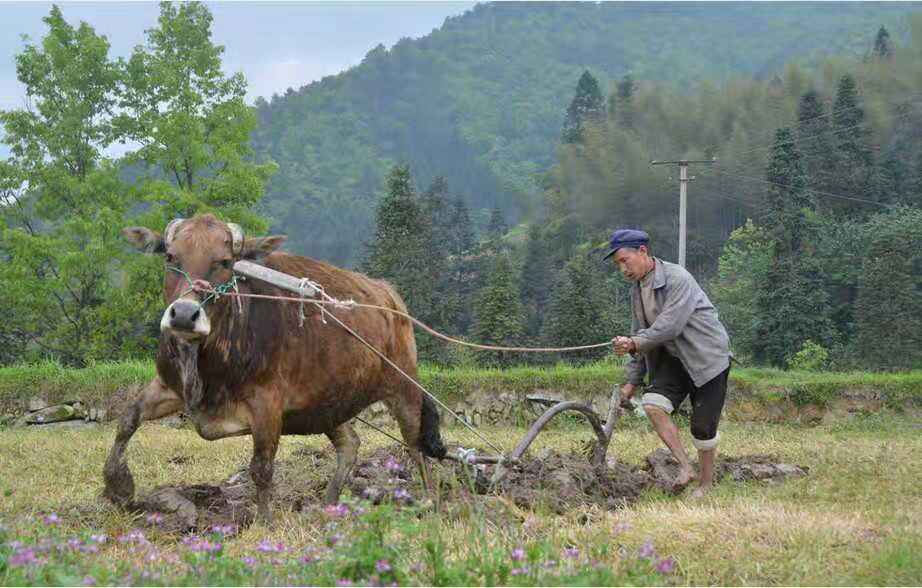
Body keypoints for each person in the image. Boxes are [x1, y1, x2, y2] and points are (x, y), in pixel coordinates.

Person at [603, 228, 731, 498]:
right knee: (653, 405)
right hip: (673, 359)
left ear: (642, 251)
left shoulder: (678, 278)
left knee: (702, 427)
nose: (622, 269)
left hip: (706, 357)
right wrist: (631, 382)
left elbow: (668, 327)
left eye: (625, 260)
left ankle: (706, 485)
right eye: (617, 265)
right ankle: (686, 468)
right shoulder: (637, 290)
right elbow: (642, 335)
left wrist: (634, 343)